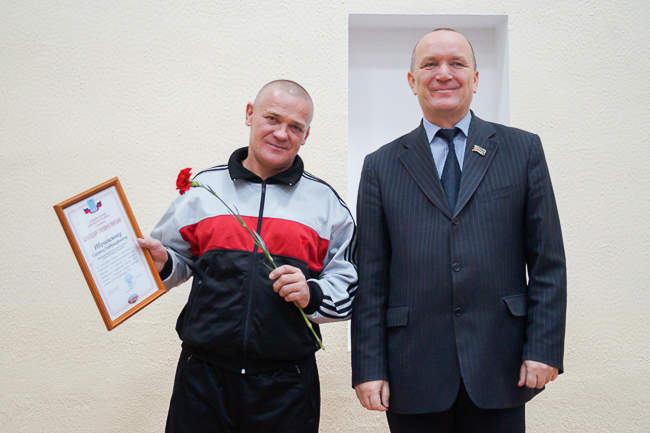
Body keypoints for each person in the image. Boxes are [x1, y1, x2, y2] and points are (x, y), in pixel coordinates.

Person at [351, 29, 566, 433]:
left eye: (457, 63)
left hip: (500, 364)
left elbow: (547, 262)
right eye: (430, 64)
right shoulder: (380, 165)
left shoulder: (522, 150)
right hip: (411, 370)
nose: (444, 73)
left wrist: (544, 347)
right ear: (412, 80)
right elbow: (371, 276)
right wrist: (368, 367)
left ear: (476, 78)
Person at [138, 79, 358, 433]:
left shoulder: (327, 205)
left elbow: (350, 286)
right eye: (272, 119)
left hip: (287, 387)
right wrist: (164, 264)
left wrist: (312, 293)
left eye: (295, 127)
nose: (281, 133)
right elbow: (175, 262)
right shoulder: (203, 191)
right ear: (249, 114)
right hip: (203, 380)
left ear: (306, 135)